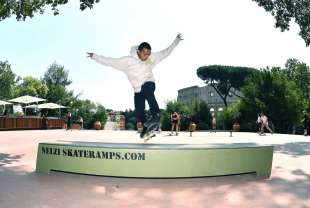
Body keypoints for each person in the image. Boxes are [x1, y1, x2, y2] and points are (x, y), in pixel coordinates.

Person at [87, 33, 183, 138]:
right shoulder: (127, 61)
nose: (147, 56)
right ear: (138, 51)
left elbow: (166, 52)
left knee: (148, 90)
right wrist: (95, 56)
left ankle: (156, 115)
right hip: (137, 89)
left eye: (149, 54)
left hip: (149, 82)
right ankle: (147, 129)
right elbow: (110, 61)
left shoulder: (151, 58)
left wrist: (176, 41)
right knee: (138, 112)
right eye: (145, 53)